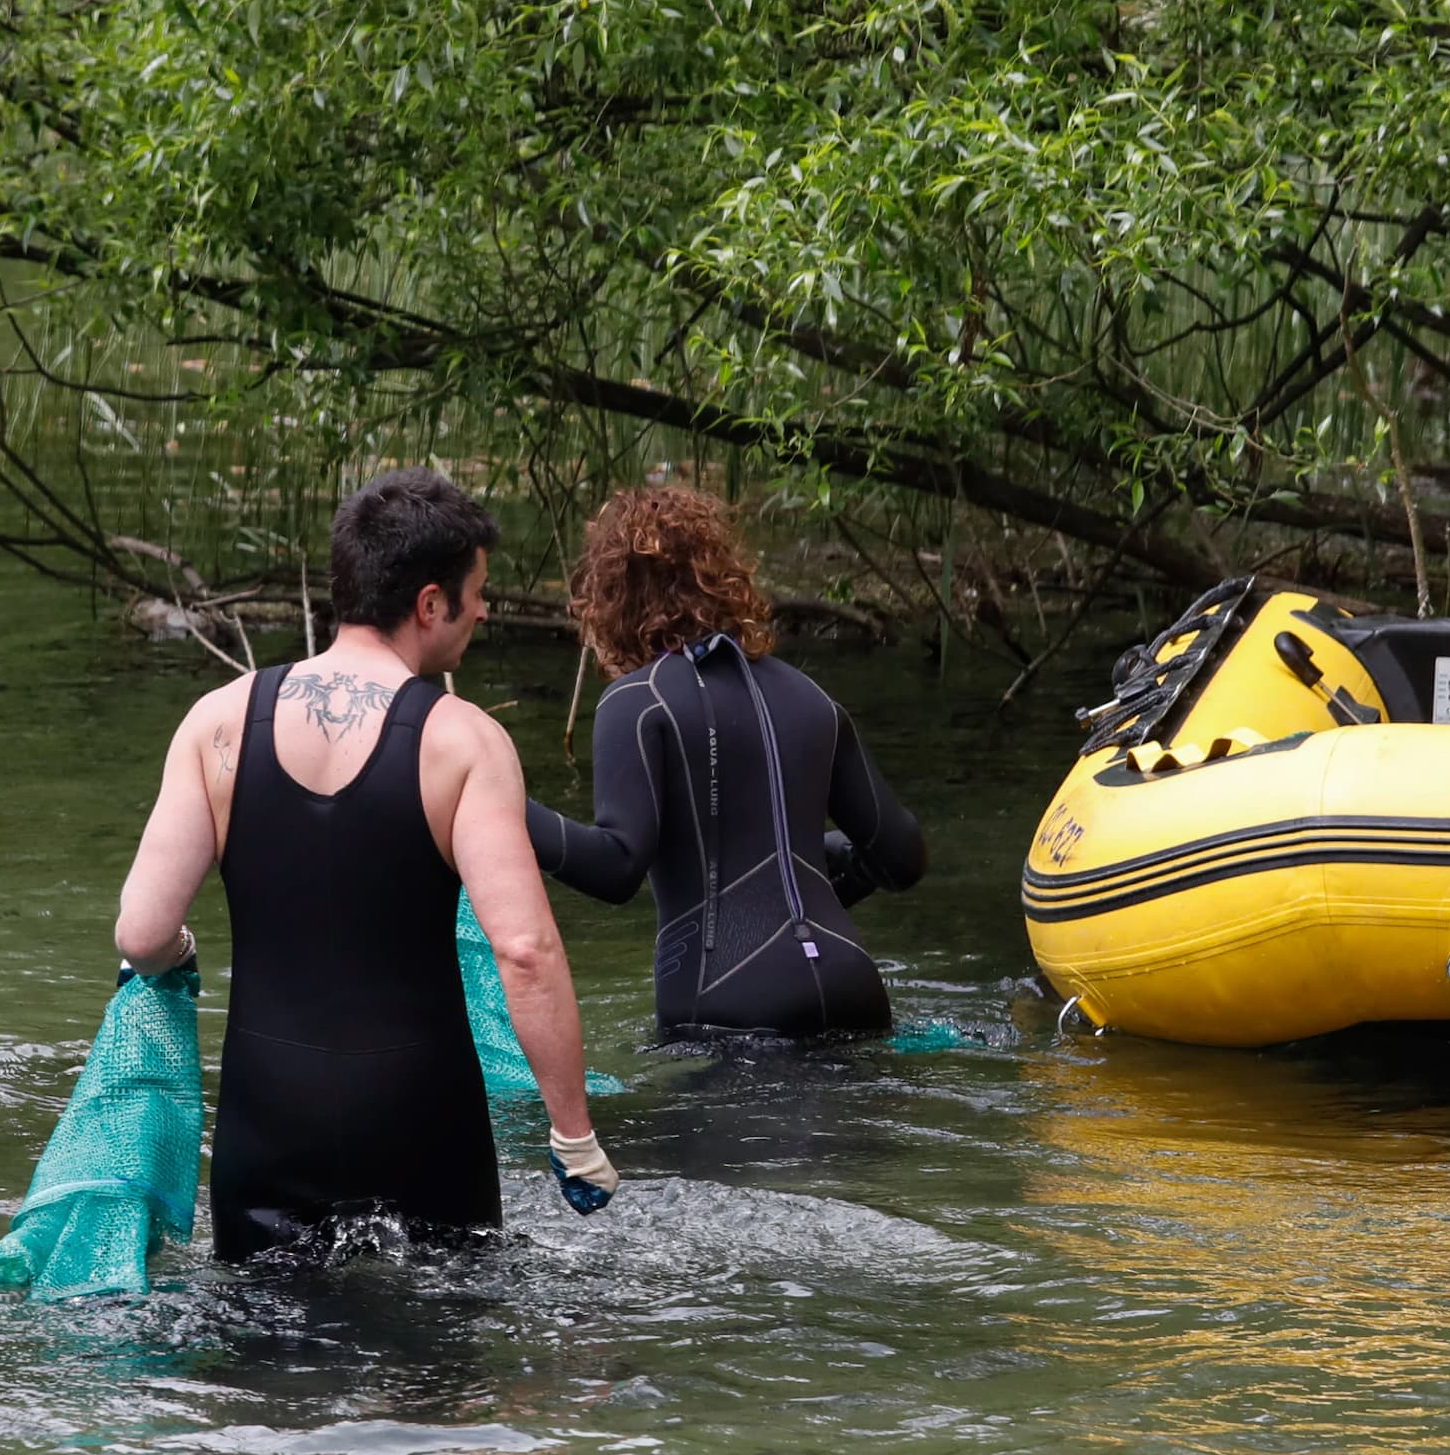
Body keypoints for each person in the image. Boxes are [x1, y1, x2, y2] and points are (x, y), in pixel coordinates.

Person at [112, 468, 620, 1255]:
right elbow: (524, 951)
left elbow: (142, 935)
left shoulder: (218, 722)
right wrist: (573, 1132)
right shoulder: (465, 740)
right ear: (428, 604)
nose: (485, 609)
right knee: (441, 1355)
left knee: (270, 1357)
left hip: (267, 1120)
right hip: (420, 1116)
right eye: (477, 591)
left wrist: (181, 956)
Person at [526, 487, 928, 1038]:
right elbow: (901, 856)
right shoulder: (811, 697)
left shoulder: (638, 702)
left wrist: (500, 803)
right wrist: (816, 855)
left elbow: (616, 866)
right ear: (726, 581)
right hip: (852, 984)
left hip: (728, 1001)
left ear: (611, 600)